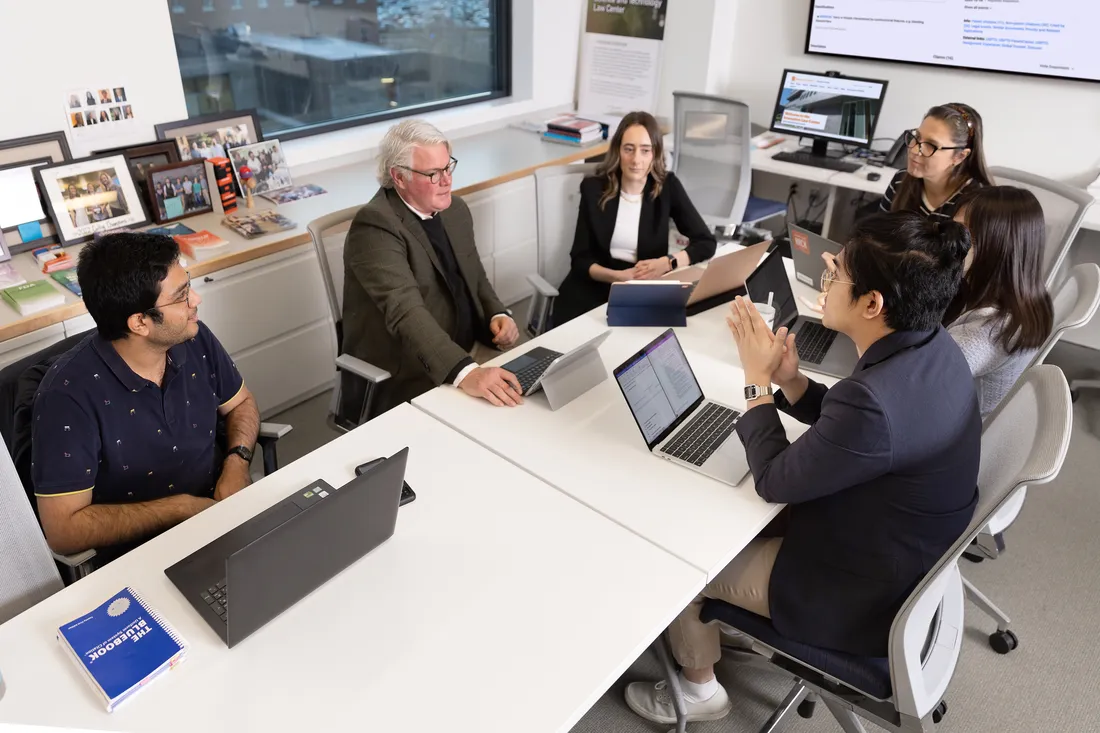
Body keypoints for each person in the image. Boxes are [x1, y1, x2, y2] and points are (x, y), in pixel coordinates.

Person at [625, 212, 981, 726]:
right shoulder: (933, 345)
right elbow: (863, 432)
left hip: (855, 595)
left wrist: (755, 381)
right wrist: (791, 382)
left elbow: (773, 479)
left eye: (835, 272)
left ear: (873, 304)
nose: (826, 278)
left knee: (684, 561)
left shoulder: (874, 403)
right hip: (900, 556)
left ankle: (699, 689)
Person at [31, 233, 260, 563]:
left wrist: (237, 461)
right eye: (181, 296)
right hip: (140, 558)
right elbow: (63, 531)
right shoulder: (65, 398)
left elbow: (241, 403)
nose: (196, 300)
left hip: (222, 520)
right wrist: (181, 508)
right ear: (140, 322)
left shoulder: (193, 337)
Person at [342, 118, 522, 416]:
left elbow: (475, 277)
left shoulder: (455, 210)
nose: (447, 180)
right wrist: (467, 373)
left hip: (469, 347)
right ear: (398, 177)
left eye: (448, 166)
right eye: (433, 173)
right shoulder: (375, 227)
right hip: (415, 368)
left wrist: (496, 312)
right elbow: (406, 314)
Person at [551, 111, 716, 326]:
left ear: (654, 154)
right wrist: (616, 277)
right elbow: (580, 259)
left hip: (644, 285)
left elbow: (706, 242)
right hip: (596, 284)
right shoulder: (593, 189)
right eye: (629, 149)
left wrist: (668, 263)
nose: (636, 159)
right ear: (618, 151)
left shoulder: (668, 187)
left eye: (645, 150)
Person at [945, 186, 1053, 418]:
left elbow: (913, 383)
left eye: (965, 235)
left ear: (1001, 246)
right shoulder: (1026, 293)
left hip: (951, 426)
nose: (950, 243)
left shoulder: (987, 331)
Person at [879, 103, 991, 221]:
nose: (914, 149)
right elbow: (875, 235)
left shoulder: (978, 206)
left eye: (932, 145)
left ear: (959, 156)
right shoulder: (900, 180)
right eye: (917, 136)